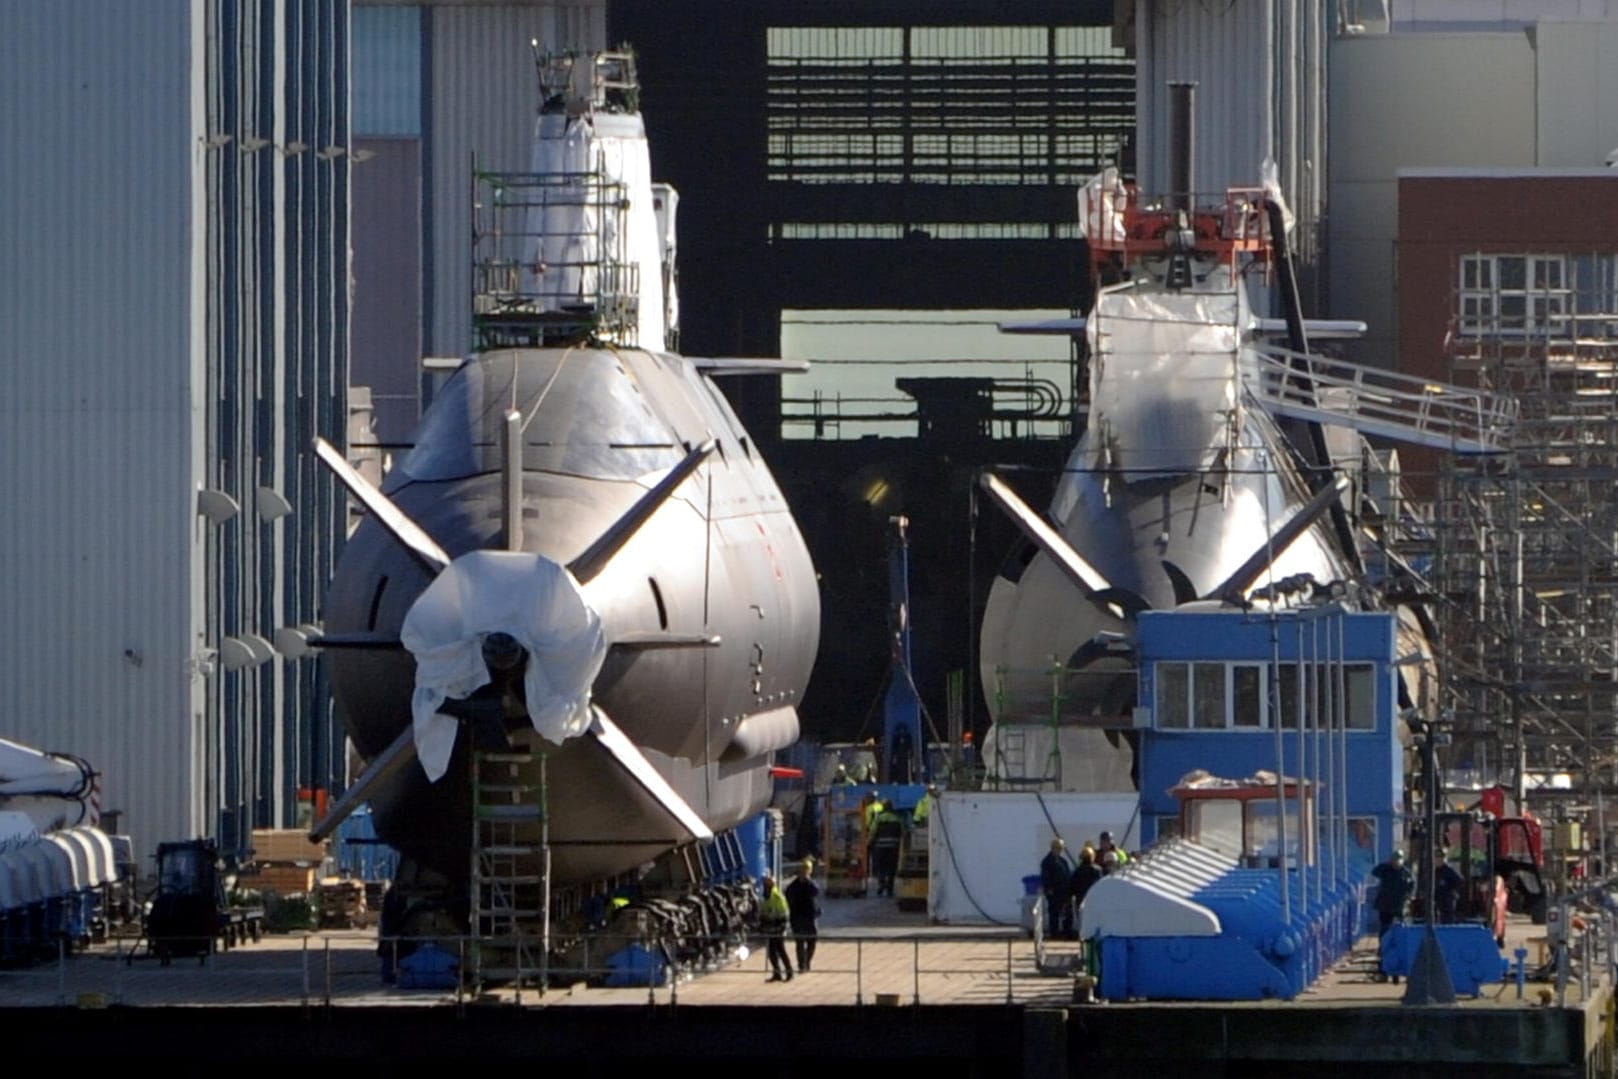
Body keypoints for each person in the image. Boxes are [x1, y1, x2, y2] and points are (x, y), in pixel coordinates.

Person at [1371, 849, 1415, 950]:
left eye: (1398, 859)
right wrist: (1386, 865)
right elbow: (1375, 872)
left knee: (1400, 926)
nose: (1396, 862)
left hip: (1398, 904)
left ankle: (1399, 946)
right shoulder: (1386, 869)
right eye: (1394, 859)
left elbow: (1412, 884)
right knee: (1384, 927)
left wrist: (1408, 896)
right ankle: (1383, 947)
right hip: (1385, 904)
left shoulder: (1405, 872)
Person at [784, 857, 822, 973]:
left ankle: (806, 962)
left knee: (812, 941)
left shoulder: (811, 884)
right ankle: (802, 965)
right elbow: (788, 895)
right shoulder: (793, 886)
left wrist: (808, 881)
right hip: (798, 917)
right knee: (800, 942)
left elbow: (816, 891)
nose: (804, 874)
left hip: (810, 917)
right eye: (802, 871)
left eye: (806, 871)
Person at [759, 874, 792, 982]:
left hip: (778, 929)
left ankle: (789, 972)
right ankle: (777, 973)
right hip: (770, 930)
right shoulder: (765, 898)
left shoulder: (778, 897)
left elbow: (785, 914)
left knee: (781, 951)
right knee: (772, 953)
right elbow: (763, 913)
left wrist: (782, 927)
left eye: (767, 884)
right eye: (764, 884)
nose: (765, 886)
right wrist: (762, 925)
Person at [1040, 838, 1075, 938]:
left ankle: (1067, 932)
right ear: (1052, 848)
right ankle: (1054, 933)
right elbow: (1045, 877)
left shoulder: (1063, 861)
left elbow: (1067, 875)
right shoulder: (1047, 862)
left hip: (1065, 892)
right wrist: (1048, 889)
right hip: (1054, 892)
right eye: (1057, 848)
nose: (1059, 850)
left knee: (1067, 913)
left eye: (1060, 848)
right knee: (1054, 913)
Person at [870, 800, 905, 896]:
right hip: (893, 847)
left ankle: (881, 884)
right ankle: (890, 888)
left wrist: (870, 841)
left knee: (881, 867)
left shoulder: (879, 818)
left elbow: (873, 831)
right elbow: (902, 832)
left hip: (880, 846)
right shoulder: (897, 818)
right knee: (891, 868)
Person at [1070, 848, 1102, 926]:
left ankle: (1083, 934)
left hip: (1080, 898)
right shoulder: (1097, 870)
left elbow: (1072, 885)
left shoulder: (1077, 871)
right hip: (1094, 898)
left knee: (1082, 919)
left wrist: (1071, 895)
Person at [1433, 848, 1464, 924]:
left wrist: (1451, 890)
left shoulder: (1449, 871)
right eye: (1437, 857)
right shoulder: (1434, 872)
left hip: (1447, 901)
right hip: (1437, 900)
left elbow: (1460, 881)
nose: (1439, 860)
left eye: (1441, 857)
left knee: (1447, 920)